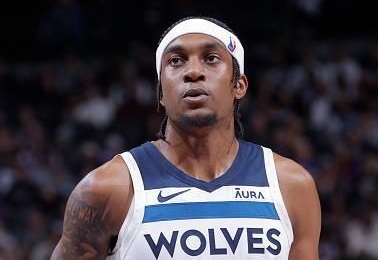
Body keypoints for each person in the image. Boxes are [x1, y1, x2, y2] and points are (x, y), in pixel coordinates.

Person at [51, 16, 321, 259]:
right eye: (176, 61)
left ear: (239, 85)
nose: (193, 72)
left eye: (211, 58)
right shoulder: (107, 188)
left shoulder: (291, 185)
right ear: (161, 94)